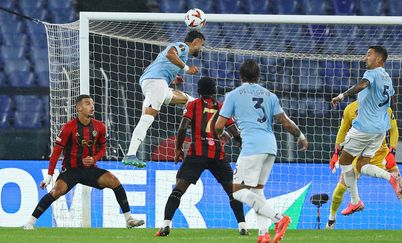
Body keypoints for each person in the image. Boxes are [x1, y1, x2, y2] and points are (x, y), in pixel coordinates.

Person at [215, 60, 308, 243]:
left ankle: (280, 219)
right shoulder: (270, 95)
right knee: (257, 191)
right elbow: (285, 122)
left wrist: (223, 134)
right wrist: (301, 136)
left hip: (252, 147)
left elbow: (218, 125)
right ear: (258, 76)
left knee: (237, 192)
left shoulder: (233, 95)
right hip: (270, 147)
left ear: (241, 76)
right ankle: (263, 234)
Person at [23, 95, 144, 230]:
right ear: (79, 108)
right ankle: (30, 222)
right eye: (87, 104)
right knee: (56, 191)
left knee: (114, 181)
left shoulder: (100, 127)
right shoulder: (69, 127)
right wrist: (50, 175)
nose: (92, 106)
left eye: (92, 104)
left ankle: (129, 219)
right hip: (71, 170)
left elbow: (102, 149)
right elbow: (56, 152)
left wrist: (94, 159)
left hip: (90, 169)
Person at [155, 77, 248, 237]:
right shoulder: (221, 107)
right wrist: (241, 142)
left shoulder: (193, 105)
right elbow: (234, 130)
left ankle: (165, 225)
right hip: (217, 155)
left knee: (178, 189)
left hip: (197, 154)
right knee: (232, 192)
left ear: (199, 91)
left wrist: (178, 148)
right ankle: (243, 226)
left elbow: (183, 127)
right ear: (214, 91)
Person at [330, 46, 402, 216]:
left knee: (345, 161)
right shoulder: (387, 78)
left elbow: (363, 84)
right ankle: (390, 176)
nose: (365, 58)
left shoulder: (373, 73)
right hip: (380, 130)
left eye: (369, 54)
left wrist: (341, 96)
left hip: (364, 127)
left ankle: (355, 201)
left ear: (379, 59)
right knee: (362, 164)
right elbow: (392, 101)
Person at [326, 100, 402, 230]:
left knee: (401, 186)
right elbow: (342, 130)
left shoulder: (385, 108)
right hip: (358, 155)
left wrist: (392, 152)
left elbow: (394, 129)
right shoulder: (350, 109)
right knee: (341, 187)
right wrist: (336, 152)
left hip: (381, 154)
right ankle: (331, 220)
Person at [123, 30, 205, 167]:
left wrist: (174, 76)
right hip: (156, 82)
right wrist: (186, 69)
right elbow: (169, 54)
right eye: (200, 45)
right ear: (195, 42)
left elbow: (164, 62)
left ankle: (190, 121)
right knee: (148, 117)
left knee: (190, 101)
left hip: (155, 83)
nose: (200, 49)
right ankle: (131, 154)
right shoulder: (182, 47)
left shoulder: (182, 55)